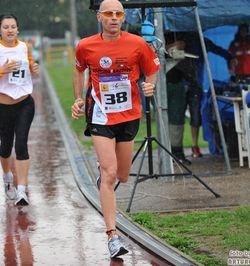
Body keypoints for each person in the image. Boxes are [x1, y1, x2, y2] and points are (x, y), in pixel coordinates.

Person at [71, 0, 160, 258]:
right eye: (108, 14)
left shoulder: (137, 44)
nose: (113, 18)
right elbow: (78, 71)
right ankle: (112, 236)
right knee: (110, 175)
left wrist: (149, 86)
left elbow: (152, 70)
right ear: (99, 17)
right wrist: (78, 99)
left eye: (118, 14)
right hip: (100, 115)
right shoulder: (86, 45)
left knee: (122, 175)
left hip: (129, 115)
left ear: (123, 18)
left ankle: (106, 174)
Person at [0, 13, 39, 206]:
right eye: (6, 27)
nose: (10, 30)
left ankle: (22, 191)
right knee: (6, 145)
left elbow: (28, 63)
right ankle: (7, 177)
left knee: (21, 144)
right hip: (2, 107)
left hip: (24, 104)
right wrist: (1, 71)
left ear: (17, 29)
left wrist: (33, 67)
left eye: (13, 27)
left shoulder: (24, 46)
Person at [164, 31, 236, 162]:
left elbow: (218, 50)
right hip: (181, 84)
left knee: (196, 116)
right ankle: (177, 148)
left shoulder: (203, 41)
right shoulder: (178, 38)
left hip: (196, 83)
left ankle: (194, 146)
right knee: (177, 116)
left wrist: (230, 57)